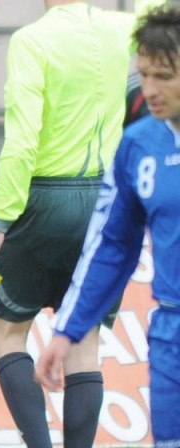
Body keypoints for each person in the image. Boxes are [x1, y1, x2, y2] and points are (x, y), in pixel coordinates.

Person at [0, 1, 150, 446]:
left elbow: (21, 141)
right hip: (106, 203)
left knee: (3, 330)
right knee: (84, 341)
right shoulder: (122, 28)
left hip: (45, 199)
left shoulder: (31, 39)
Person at [36, 5, 180, 447]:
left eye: (164, 77)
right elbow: (112, 246)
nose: (149, 90)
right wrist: (67, 331)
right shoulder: (138, 145)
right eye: (144, 75)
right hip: (172, 333)